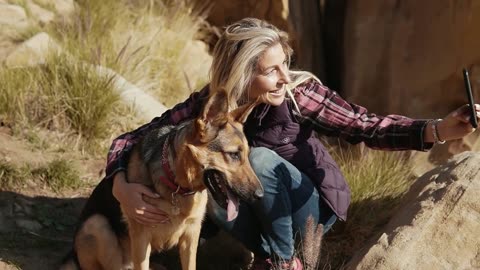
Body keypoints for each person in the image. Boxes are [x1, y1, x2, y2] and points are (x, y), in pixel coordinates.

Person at [105, 18, 479, 270]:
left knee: (262, 161)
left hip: (310, 208)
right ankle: (265, 251)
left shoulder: (301, 93)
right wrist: (122, 187)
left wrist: (439, 129)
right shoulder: (208, 109)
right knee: (210, 182)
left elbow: (367, 126)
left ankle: (285, 261)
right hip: (254, 203)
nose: (286, 76)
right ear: (241, 73)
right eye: (272, 70)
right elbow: (131, 139)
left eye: (286, 63)